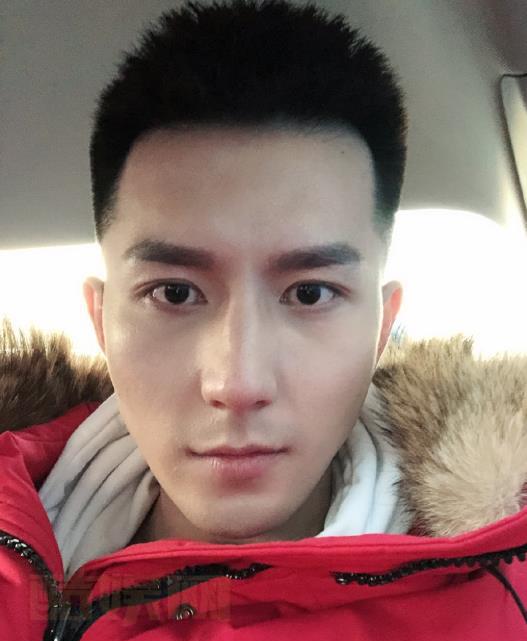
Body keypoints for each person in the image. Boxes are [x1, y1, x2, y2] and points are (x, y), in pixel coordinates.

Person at [1, 0, 526, 638]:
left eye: (310, 293)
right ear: (101, 320)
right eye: (174, 293)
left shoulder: (504, 599)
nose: (238, 382)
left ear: (382, 328)